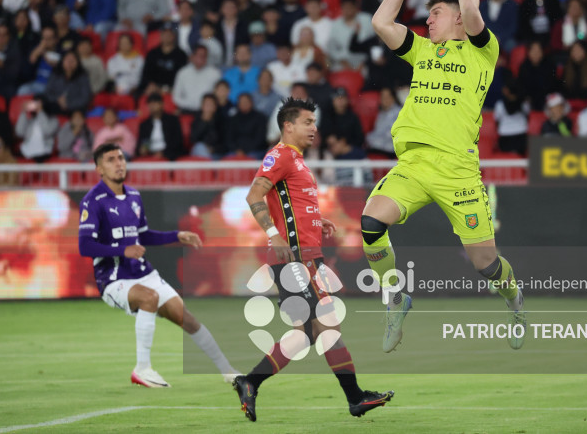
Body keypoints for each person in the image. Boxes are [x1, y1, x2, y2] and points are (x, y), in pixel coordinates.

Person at [365, 0, 524, 352]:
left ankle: (514, 300)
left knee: (487, 265)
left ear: (456, 19)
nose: (428, 21)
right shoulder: (421, 51)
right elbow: (381, 23)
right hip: (414, 164)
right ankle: (396, 299)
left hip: (457, 169)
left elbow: (472, 7)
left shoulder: (480, 53)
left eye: (436, 13)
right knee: (369, 225)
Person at [232, 97, 394, 422]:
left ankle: (250, 381)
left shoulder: (299, 160)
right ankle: (355, 398)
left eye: (314, 122)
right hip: (295, 260)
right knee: (327, 326)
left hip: (308, 257)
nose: (314, 128)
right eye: (307, 122)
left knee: (306, 333)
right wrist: (272, 235)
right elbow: (254, 195)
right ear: (288, 125)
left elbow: (292, 206)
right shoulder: (279, 156)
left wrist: (319, 222)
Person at [78, 143, 238, 388]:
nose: (119, 163)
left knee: (188, 319)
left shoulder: (133, 196)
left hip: (143, 273)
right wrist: (123, 250)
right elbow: (85, 246)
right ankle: (142, 369)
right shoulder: (93, 201)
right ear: (99, 168)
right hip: (113, 278)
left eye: (121, 158)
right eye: (111, 160)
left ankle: (229, 372)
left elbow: (143, 235)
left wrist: (176, 235)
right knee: (149, 298)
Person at [139, 22, 189, 95]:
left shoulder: (181, 55)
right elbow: (145, 74)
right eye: (164, 33)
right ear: (161, 35)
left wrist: (166, 89)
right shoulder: (152, 53)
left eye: (169, 34)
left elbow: (182, 77)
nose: (166, 36)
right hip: (153, 90)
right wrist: (151, 85)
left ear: (174, 36)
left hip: (172, 90)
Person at [172, 45, 221, 113]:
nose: (202, 58)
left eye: (204, 56)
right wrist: (189, 105)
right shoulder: (182, 73)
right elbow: (176, 97)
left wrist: (206, 106)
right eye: (200, 55)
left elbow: (217, 96)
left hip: (207, 111)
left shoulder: (215, 74)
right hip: (185, 109)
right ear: (192, 56)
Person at [225, 93, 267, 158]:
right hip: (236, 151)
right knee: (227, 159)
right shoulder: (233, 119)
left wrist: (245, 151)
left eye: (246, 102)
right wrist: (237, 150)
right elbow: (229, 138)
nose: (244, 104)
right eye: (241, 102)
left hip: (255, 150)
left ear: (251, 103)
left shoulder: (260, 118)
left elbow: (260, 139)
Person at [366, 87, 401, 158]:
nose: (385, 99)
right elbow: (377, 132)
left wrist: (370, 139)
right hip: (380, 147)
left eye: (388, 96)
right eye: (383, 97)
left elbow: (390, 136)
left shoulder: (399, 112)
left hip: (391, 149)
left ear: (393, 98)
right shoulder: (381, 114)